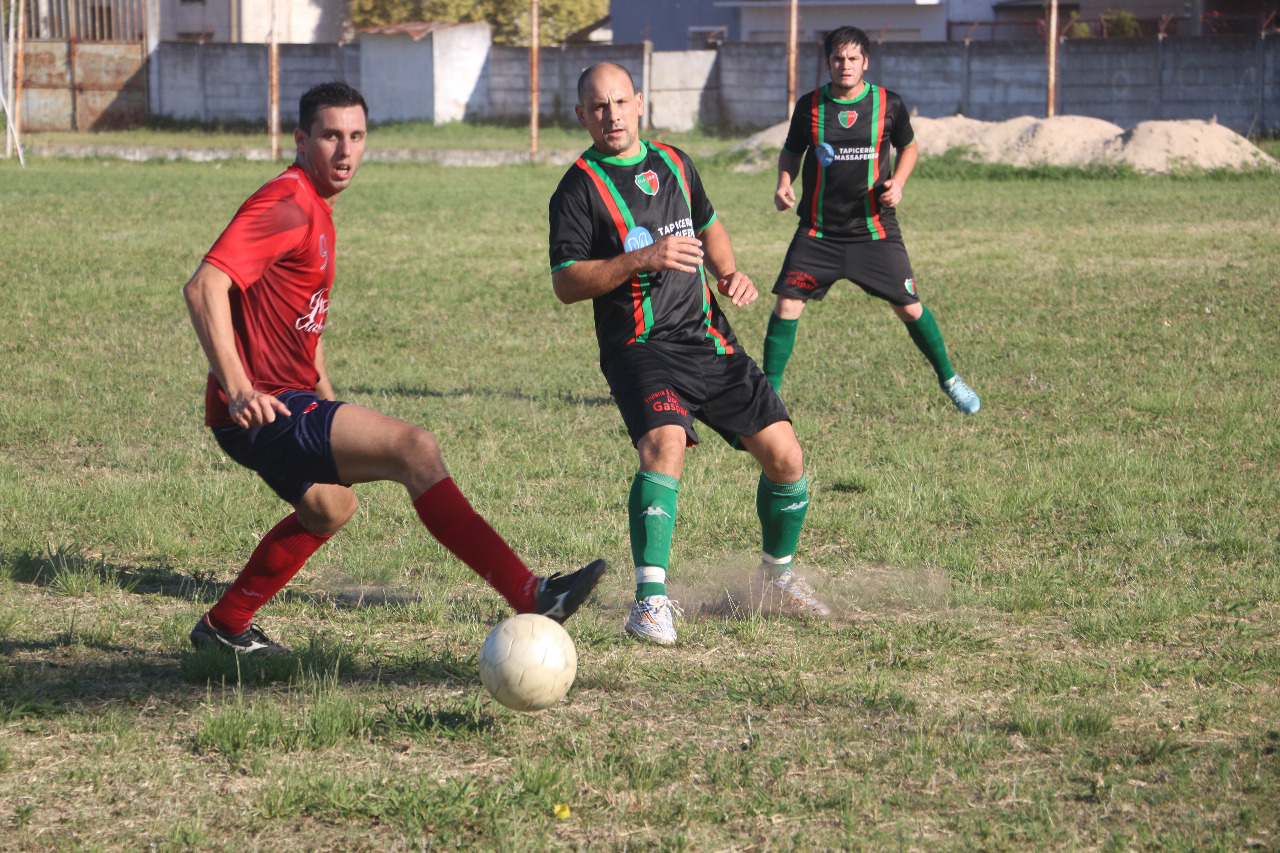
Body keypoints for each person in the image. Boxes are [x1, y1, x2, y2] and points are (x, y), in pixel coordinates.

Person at [183, 81, 605, 655]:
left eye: (356, 136)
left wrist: (326, 395)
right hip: (260, 408)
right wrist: (237, 389)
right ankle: (532, 594)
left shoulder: (315, 207)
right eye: (330, 136)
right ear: (302, 139)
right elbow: (206, 285)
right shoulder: (283, 203)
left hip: (283, 398)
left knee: (330, 506)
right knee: (415, 449)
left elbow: (302, 319)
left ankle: (224, 627)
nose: (345, 151)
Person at [548, 63, 829, 647]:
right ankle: (650, 602)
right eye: (598, 107)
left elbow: (709, 224)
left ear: (639, 102)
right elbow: (567, 281)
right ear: (581, 116)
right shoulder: (576, 189)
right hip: (639, 346)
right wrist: (641, 259)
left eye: (620, 102)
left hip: (706, 336)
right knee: (665, 443)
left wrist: (728, 273)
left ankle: (775, 579)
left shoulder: (675, 163)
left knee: (786, 457)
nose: (612, 116)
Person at [763, 25, 980, 415]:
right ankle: (768, 396)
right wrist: (783, 183)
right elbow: (792, 152)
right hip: (818, 232)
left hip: (874, 230)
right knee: (787, 305)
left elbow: (908, 148)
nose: (844, 65)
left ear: (865, 61)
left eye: (852, 59)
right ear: (827, 61)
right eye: (837, 58)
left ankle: (949, 379)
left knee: (909, 306)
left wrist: (898, 181)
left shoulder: (888, 104)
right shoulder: (810, 106)